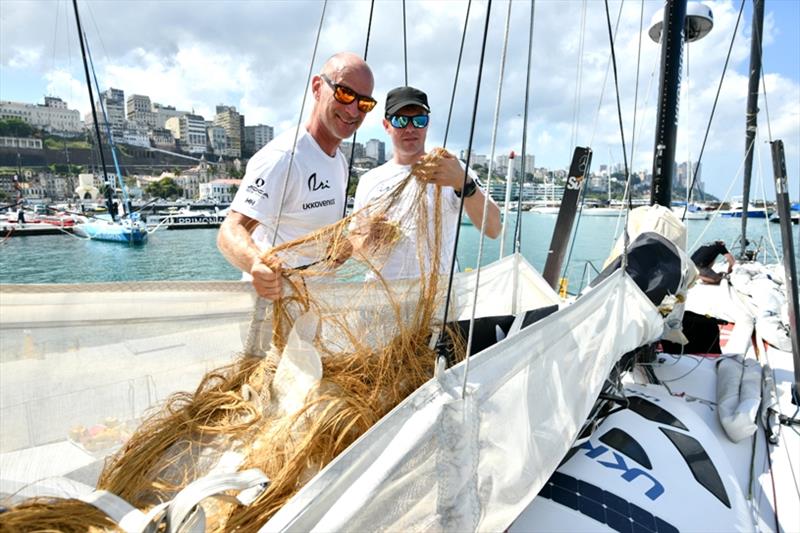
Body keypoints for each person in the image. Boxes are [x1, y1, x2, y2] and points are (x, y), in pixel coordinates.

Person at [218, 52, 375, 300]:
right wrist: (255, 263)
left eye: (364, 103)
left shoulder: (340, 162)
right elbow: (230, 230)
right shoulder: (283, 157)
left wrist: (341, 246)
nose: (353, 109)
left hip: (317, 308)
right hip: (272, 307)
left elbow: (315, 235)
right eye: (345, 93)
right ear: (317, 88)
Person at [353, 86, 501, 280]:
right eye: (400, 120)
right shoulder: (369, 180)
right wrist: (371, 237)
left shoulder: (451, 168)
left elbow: (494, 228)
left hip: (437, 301)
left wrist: (463, 183)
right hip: (382, 300)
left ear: (427, 124)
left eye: (419, 120)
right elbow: (356, 250)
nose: (410, 128)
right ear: (386, 125)